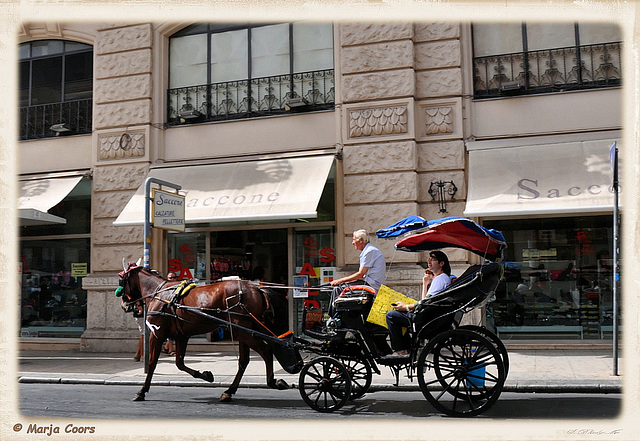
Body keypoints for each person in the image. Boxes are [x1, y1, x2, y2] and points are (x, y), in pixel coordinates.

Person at [385, 250, 451, 356]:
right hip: (428, 316)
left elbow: (425, 302)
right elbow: (425, 301)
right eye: (428, 259)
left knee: (391, 316)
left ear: (441, 263)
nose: (429, 261)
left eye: (433, 259)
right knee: (399, 315)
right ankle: (407, 347)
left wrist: (406, 307)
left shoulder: (440, 279)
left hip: (428, 320)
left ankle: (401, 350)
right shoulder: (441, 278)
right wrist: (425, 284)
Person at [328, 229, 386, 315]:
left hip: (371, 284)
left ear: (361, 240)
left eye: (354, 239)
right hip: (368, 282)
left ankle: (333, 316)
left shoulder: (369, 251)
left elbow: (360, 274)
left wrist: (340, 280)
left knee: (338, 289)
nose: (352, 242)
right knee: (339, 287)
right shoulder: (369, 250)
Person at [162, 272, 178, 356]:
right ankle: (171, 350)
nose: (172, 279)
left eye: (174, 277)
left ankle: (166, 347)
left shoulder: (177, 286)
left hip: (175, 310)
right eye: (170, 278)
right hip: (167, 310)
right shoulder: (166, 287)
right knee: (171, 330)